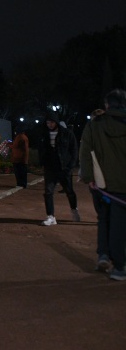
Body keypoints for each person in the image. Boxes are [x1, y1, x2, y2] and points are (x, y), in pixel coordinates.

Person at [78, 89, 126, 280]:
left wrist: (89, 177)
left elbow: (85, 152)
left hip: (102, 184)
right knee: (120, 224)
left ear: (107, 105)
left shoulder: (95, 124)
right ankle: (119, 264)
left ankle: (109, 259)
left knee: (106, 219)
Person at [38, 114, 79, 226]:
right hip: (50, 168)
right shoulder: (45, 134)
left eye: (51, 122)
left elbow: (74, 150)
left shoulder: (67, 133)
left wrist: (70, 166)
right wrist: (42, 162)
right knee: (48, 192)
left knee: (69, 191)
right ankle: (51, 217)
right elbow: (42, 149)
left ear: (56, 122)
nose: (49, 125)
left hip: (64, 168)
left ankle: (74, 209)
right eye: (47, 123)